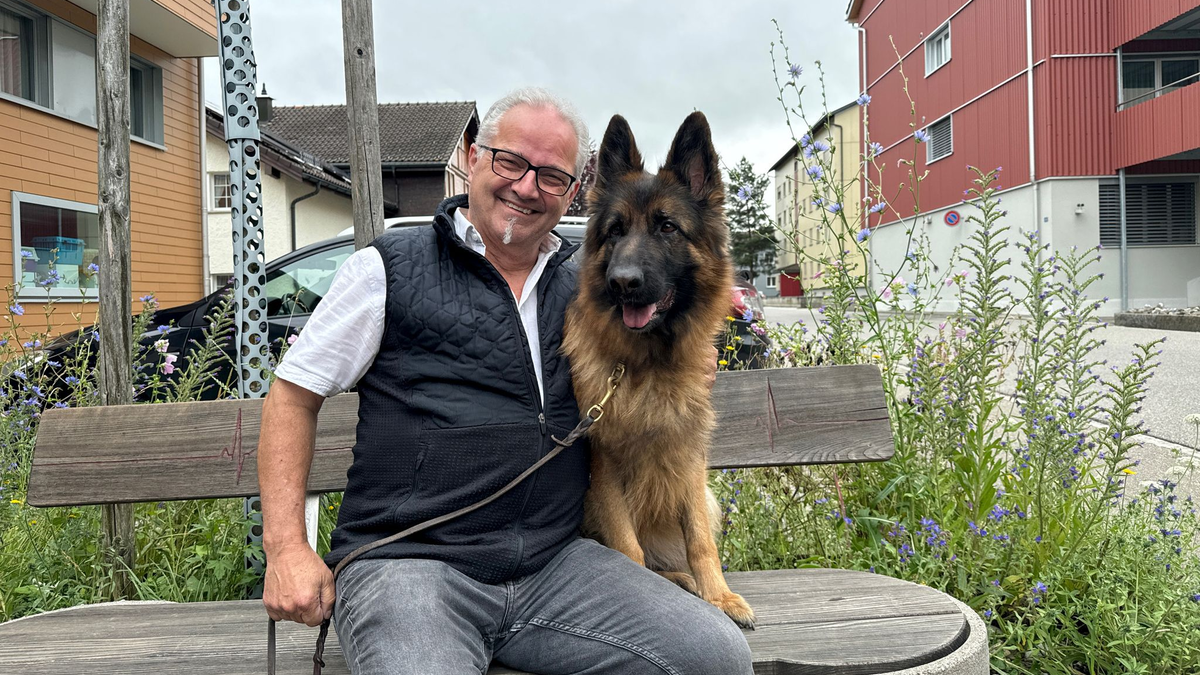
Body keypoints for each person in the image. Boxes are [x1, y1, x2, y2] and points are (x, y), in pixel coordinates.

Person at [258, 87, 753, 675]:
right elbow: (292, 395)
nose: (525, 187)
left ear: (573, 193)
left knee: (714, 657)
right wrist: (286, 547)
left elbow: (672, 352)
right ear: (472, 158)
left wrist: (697, 360)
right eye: (510, 161)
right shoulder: (387, 267)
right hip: (413, 563)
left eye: (550, 176)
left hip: (555, 563)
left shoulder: (589, 289)